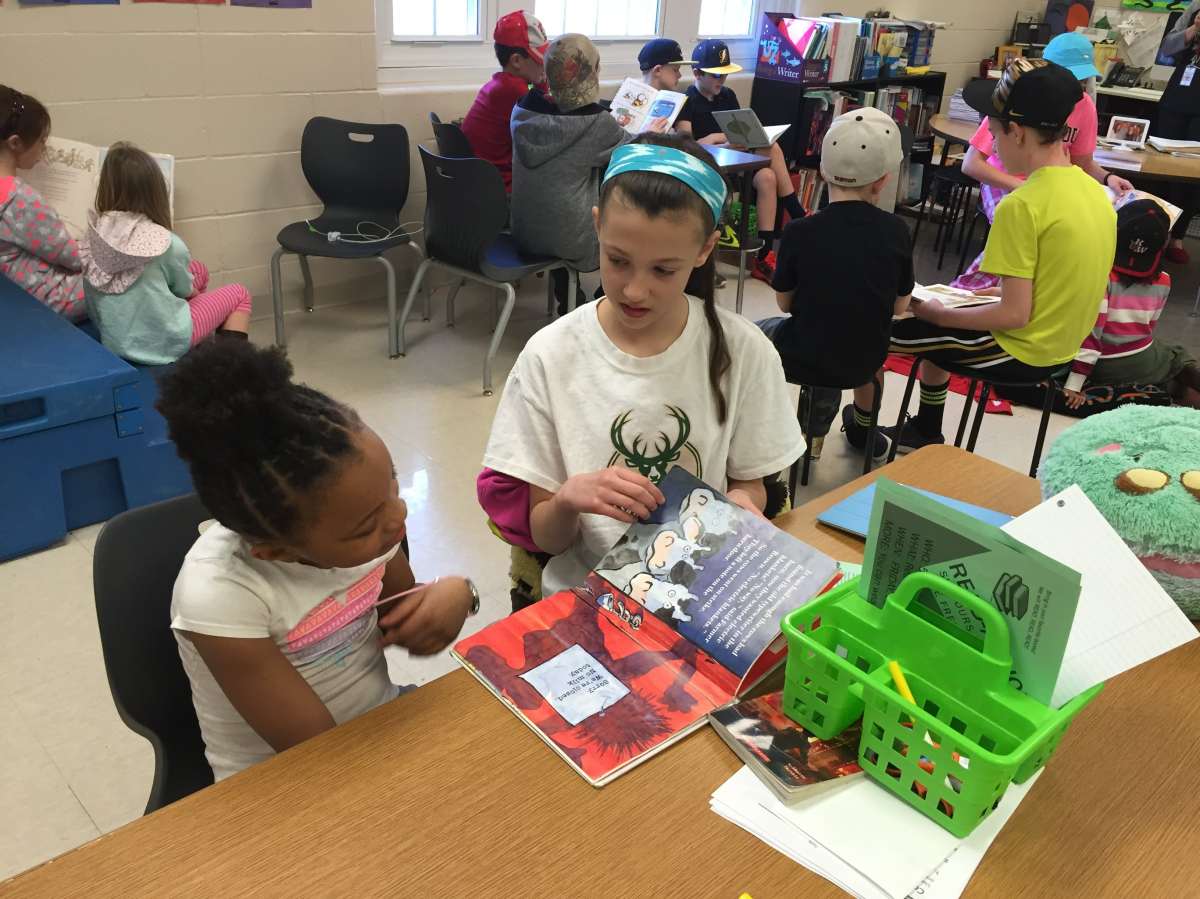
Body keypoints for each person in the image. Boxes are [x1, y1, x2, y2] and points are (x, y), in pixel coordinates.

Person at [482, 134, 803, 601]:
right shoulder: (550, 356)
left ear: (705, 249)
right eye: (618, 261)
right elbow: (547, 539)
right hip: (586, 597)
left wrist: (742, 505)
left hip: (698, 592)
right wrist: (568, 499)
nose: (634, 291)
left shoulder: (743, 351)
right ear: (597, 225)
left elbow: (750, 484)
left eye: (663, 270)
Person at [160, 340, 480, 780]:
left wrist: (457, 594)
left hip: (378, 727)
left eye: (392, 485)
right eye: (367, 526)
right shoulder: (221, 596)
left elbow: (404, 616)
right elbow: (317, 754)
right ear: (276, 551)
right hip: (287, 780)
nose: (398, 516)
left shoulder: (363, 523)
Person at [888, 58, 1116, 451]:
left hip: (1020, 351)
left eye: (994, 133)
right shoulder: (1097, 194)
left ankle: (861, 428)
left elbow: (1013, 316)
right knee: (942, 323)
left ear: (1018, 133)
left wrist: (942, 315)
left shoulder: (1022, 205)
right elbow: (1059, 284)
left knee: (876, 330)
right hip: (1064, 349)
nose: (992, 146)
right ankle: (925, 430)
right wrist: (985, 297)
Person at [760, 108, 913, 461]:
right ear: (882, 180)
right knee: (849, 336)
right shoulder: (897, 231)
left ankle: (792, 438)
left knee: (749, 337)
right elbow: (899, 307)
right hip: (865, 360)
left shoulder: (799, 231)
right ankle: (863, 430)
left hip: (803, 357)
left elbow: (784, 304)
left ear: (823, 170)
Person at [955, 34, 1135, 292]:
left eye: (1081, 81)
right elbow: (972, 163)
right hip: (1014, 184)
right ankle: (975, 291)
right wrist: (1027, 190)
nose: (1075, 87)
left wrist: (1108, 177)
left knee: (1039, 237)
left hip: (1048, 187)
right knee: (1025, 233)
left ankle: (977, 291)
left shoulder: (1083, 106)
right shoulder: (1014, 105)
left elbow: (1083, 162)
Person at [80, 143, 253, 365]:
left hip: (116, 340)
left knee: (198, 269)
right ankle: (231, 369)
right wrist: (192, 293)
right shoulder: (165, 243)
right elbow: (183, 289)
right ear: (156, 191)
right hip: (164, 341)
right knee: (239, 294)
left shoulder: (93, 238)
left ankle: (200, 349)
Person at [510, 33, 632, 312]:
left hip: (525, 231)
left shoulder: (521, 110)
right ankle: (604, 297)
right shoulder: (597, 123)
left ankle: (569, 295)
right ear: (592, 71)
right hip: (571, 239)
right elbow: (631, 148)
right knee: (626, 210)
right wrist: (655, 130)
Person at [674, 39, 805, 283]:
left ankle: (764, 255)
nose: (721, 80)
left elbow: (738, 129)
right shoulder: (687, 100)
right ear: (697, 73)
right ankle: (796, 211)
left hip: (737, 161)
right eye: (716, 75)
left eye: (724, 75)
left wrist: (727, 139)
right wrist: (718, 141)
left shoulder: (728, 96)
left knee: (767, 175)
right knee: (771, 149)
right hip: (711, 165)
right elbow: (687, 145)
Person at [1062, 199, 1200, 410]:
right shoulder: (1164, 280)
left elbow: (1092, 335)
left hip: (1102, 364)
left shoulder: (1101, 276)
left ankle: (1169, 388)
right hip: (1140, 356)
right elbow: (1149, 327)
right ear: (1162, 245)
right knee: (1178, 356)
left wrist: (1074, 384)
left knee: (1166, 366)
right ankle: (1177, 391)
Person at [0, 85, 85, 320]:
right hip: (47, 299)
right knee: (128, 274)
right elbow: (74, 259)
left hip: (14, 294)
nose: (44, 150)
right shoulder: (19, 199)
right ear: (15, 143)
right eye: (42, 141)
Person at [460, 10, 549, 193]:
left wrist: (539, 83)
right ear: (516, 61)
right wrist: (543, 83)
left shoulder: (498, 84)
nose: (544, 63)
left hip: (478, 183)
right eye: (540, 58)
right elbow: (545, 134)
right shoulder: (516, 91)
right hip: (501, 189)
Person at [1156, 1, 1200, 263]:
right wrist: (1193, 29)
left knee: (1193, 172)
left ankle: (1178, 237)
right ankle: (1156, 230)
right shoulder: (1195, 7)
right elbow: (1168, 47)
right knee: (1161, 166)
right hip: (1177, 97)